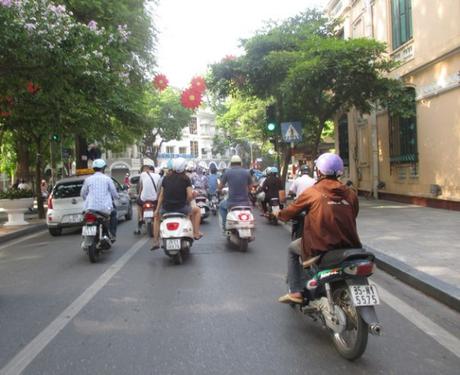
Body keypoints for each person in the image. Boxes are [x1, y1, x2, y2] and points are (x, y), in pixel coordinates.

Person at [275, 153, 361, 304]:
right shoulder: (351, 194)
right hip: (349, 243)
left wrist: (278, 214)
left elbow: (289, 212)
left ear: (319, 172)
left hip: (321, 245)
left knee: (291, 249)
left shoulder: (313, 191)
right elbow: (354, 214)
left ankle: (295, 292)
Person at [154, 158, 202, 248]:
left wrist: (157, 210)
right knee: (197, 211)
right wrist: (191, 198)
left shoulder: (166, 178)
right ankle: (196, 233)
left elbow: (161, 196)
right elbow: (189, 196)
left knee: (156, 218)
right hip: (181, 208)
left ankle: (156, 241)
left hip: (166, 209)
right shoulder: (186, 179)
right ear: (183, 168)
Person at [80, 159, 119, 242]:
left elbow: (83, 193)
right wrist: (116, 197)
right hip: (104, 209)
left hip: (90, 208)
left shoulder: (88, 179)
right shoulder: (107, 179)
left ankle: (85, 236)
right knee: (114, 214)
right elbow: (114, 193)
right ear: (103, 168)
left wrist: (86, 200)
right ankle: (112, 235)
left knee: (85, 219)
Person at [218, 155, 252, 231]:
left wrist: (219, 191)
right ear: (240, 163)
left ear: (231, 163)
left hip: (232, 203)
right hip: (245, 202)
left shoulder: (227, 172)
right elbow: (250, 187)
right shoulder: (247, 173)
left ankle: (225, 227)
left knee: (221, 206)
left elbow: (220, 187)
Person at [135, 161, 162, 247]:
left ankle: (141, 217)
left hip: (144, 199)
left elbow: (141, 188)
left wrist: (139, 195)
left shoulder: (142, 175)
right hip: (155, 199)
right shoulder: (158, 176)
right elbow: (160, 189)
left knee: (138, 203)